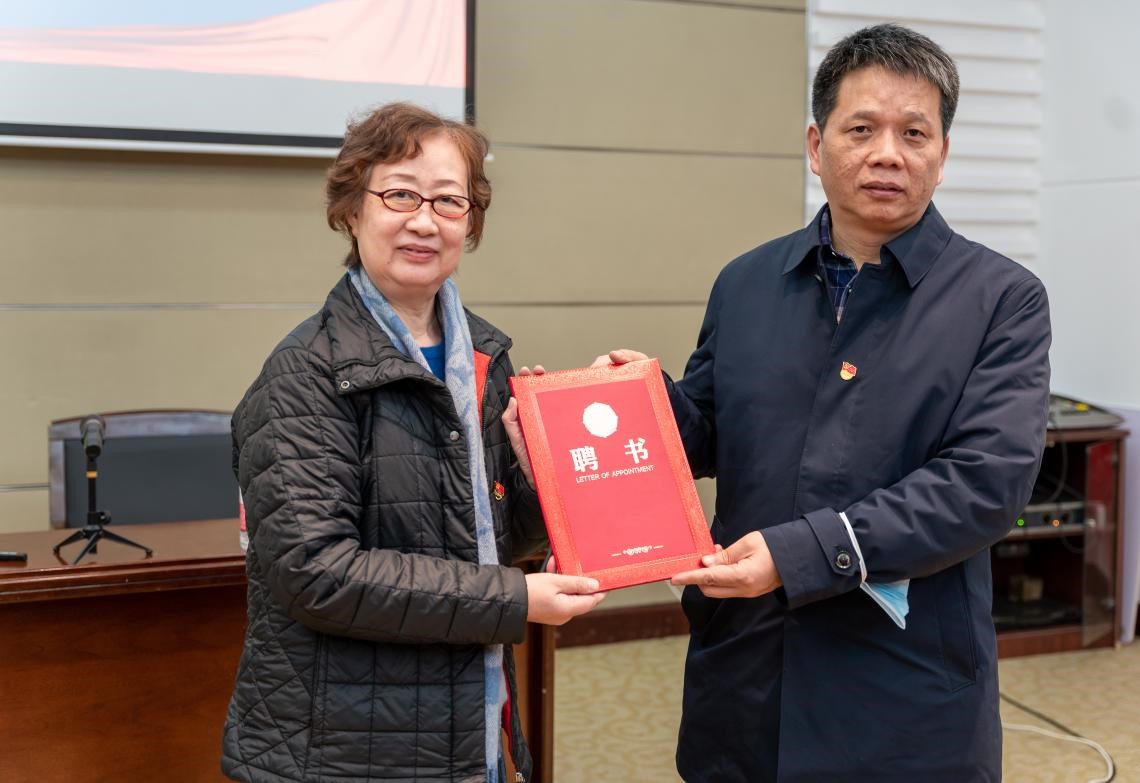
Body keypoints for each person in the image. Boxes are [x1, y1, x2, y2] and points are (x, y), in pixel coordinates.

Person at [597, 24, 1050, 782]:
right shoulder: (746, 282)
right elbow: (707, 432)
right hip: (747, 672)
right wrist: (639, 402)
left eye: (914, 133)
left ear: (942, 153)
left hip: (904, 688)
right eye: (861, 129)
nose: (887, 153)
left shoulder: (1002, 299)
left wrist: (801, 553)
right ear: (816, 145)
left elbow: (985, 484)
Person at [221, 102, 605, 783]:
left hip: (470, 727)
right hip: (345, 752)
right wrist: (515, 600)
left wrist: (538, 468)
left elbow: (495, 540)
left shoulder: (484, 358)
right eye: (400, 194)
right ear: (352, 210)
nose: (425, 221)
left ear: (470, 222)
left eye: (449, 200)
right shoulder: (304, 373)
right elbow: (317, 573)